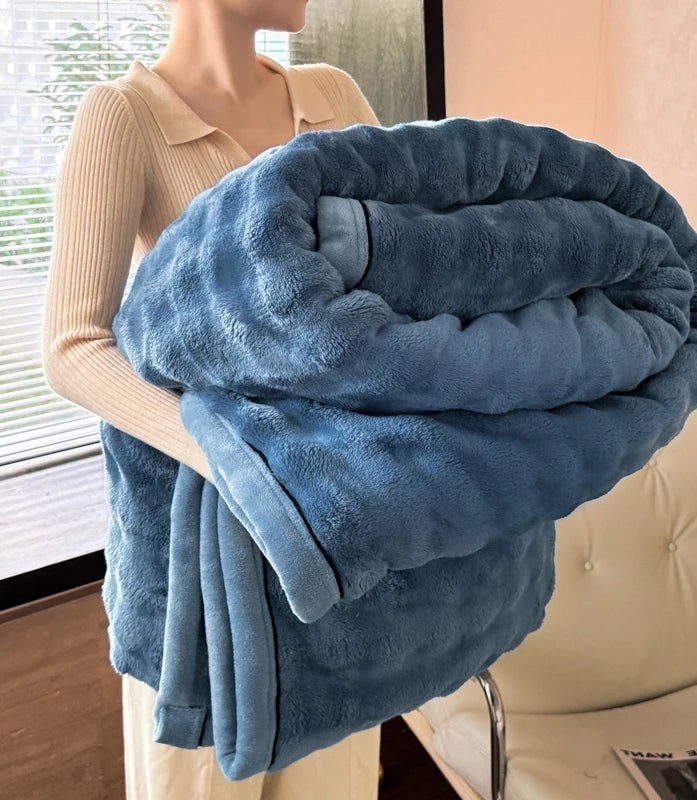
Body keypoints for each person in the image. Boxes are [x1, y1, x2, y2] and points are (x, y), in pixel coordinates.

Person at [40, 0, 383, 797]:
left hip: (337, 539)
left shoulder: (332, 95)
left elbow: (406, 274)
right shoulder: (126, 116)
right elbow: (72, 346)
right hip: (202, 559)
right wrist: (237, 459)